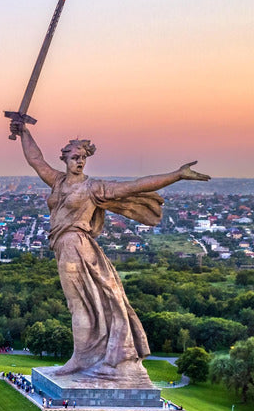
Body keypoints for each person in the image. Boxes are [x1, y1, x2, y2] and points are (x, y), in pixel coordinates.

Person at [11, 120, 209, 380]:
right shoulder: (57, 181)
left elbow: (136, 185)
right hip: (64, 246)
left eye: (83, 158)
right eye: (74, 158)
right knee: (86, 304)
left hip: (76, 246)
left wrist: (177, 175)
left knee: (79, 305)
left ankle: (80, 360)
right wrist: (24, 131)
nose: (79, 162)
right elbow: (36, 160)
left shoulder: (93, 188)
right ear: (65, 159)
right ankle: (87, 357)